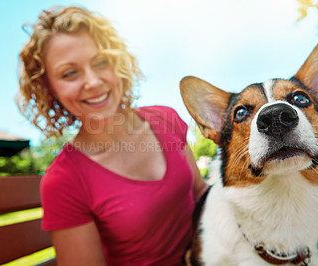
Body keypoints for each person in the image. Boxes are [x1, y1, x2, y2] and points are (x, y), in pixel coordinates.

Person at [17, 6, 208, 266]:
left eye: (101, 62)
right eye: (70, 73)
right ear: (49, 89)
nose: (93, 81)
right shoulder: (63, 181)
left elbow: (200, 194)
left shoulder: (165, 118)